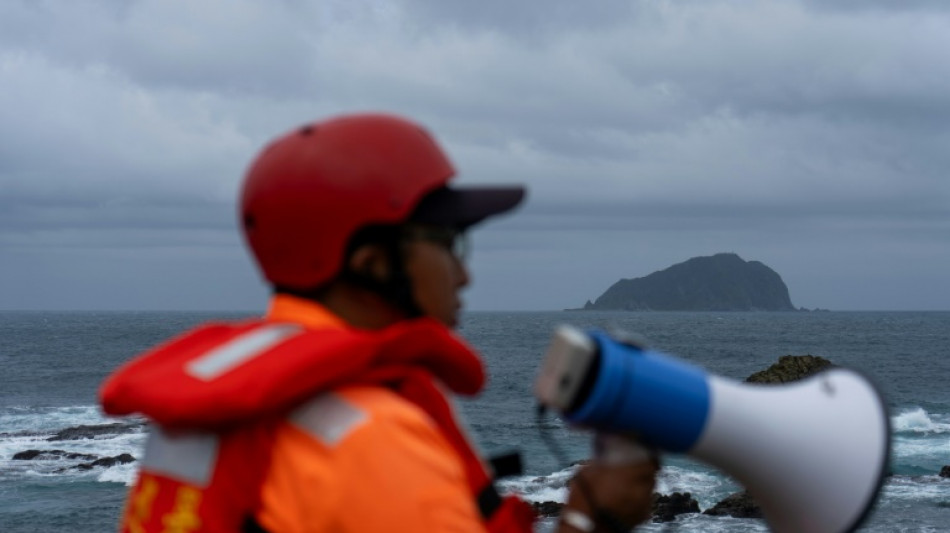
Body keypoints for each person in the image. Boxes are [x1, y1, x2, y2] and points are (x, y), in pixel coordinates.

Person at [100, 113, 657, 532]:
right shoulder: (372, 436)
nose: (463, 273)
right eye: (448, 243)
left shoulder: (214, 409)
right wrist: (591, 519)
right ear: (372, 263)